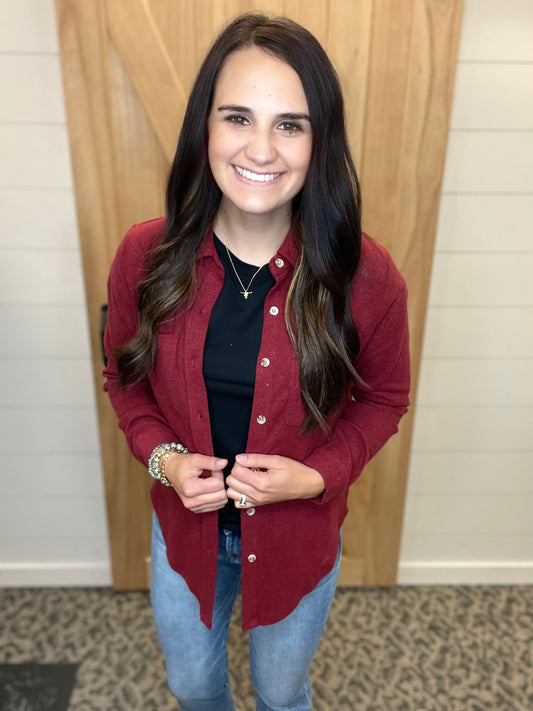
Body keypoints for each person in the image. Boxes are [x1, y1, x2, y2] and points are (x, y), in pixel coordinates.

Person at [103, 12, 410, 711]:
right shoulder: (143, 257)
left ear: (318, 140)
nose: (261, 149)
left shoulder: (368, 278)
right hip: (184, 525)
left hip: (299, 536)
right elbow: (123, 380)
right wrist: (166, 461)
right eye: (237, 117)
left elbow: (384, 397)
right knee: (190, 684)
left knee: (279, 692)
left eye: (290, 124)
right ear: (204, 128)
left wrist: (319, 475)